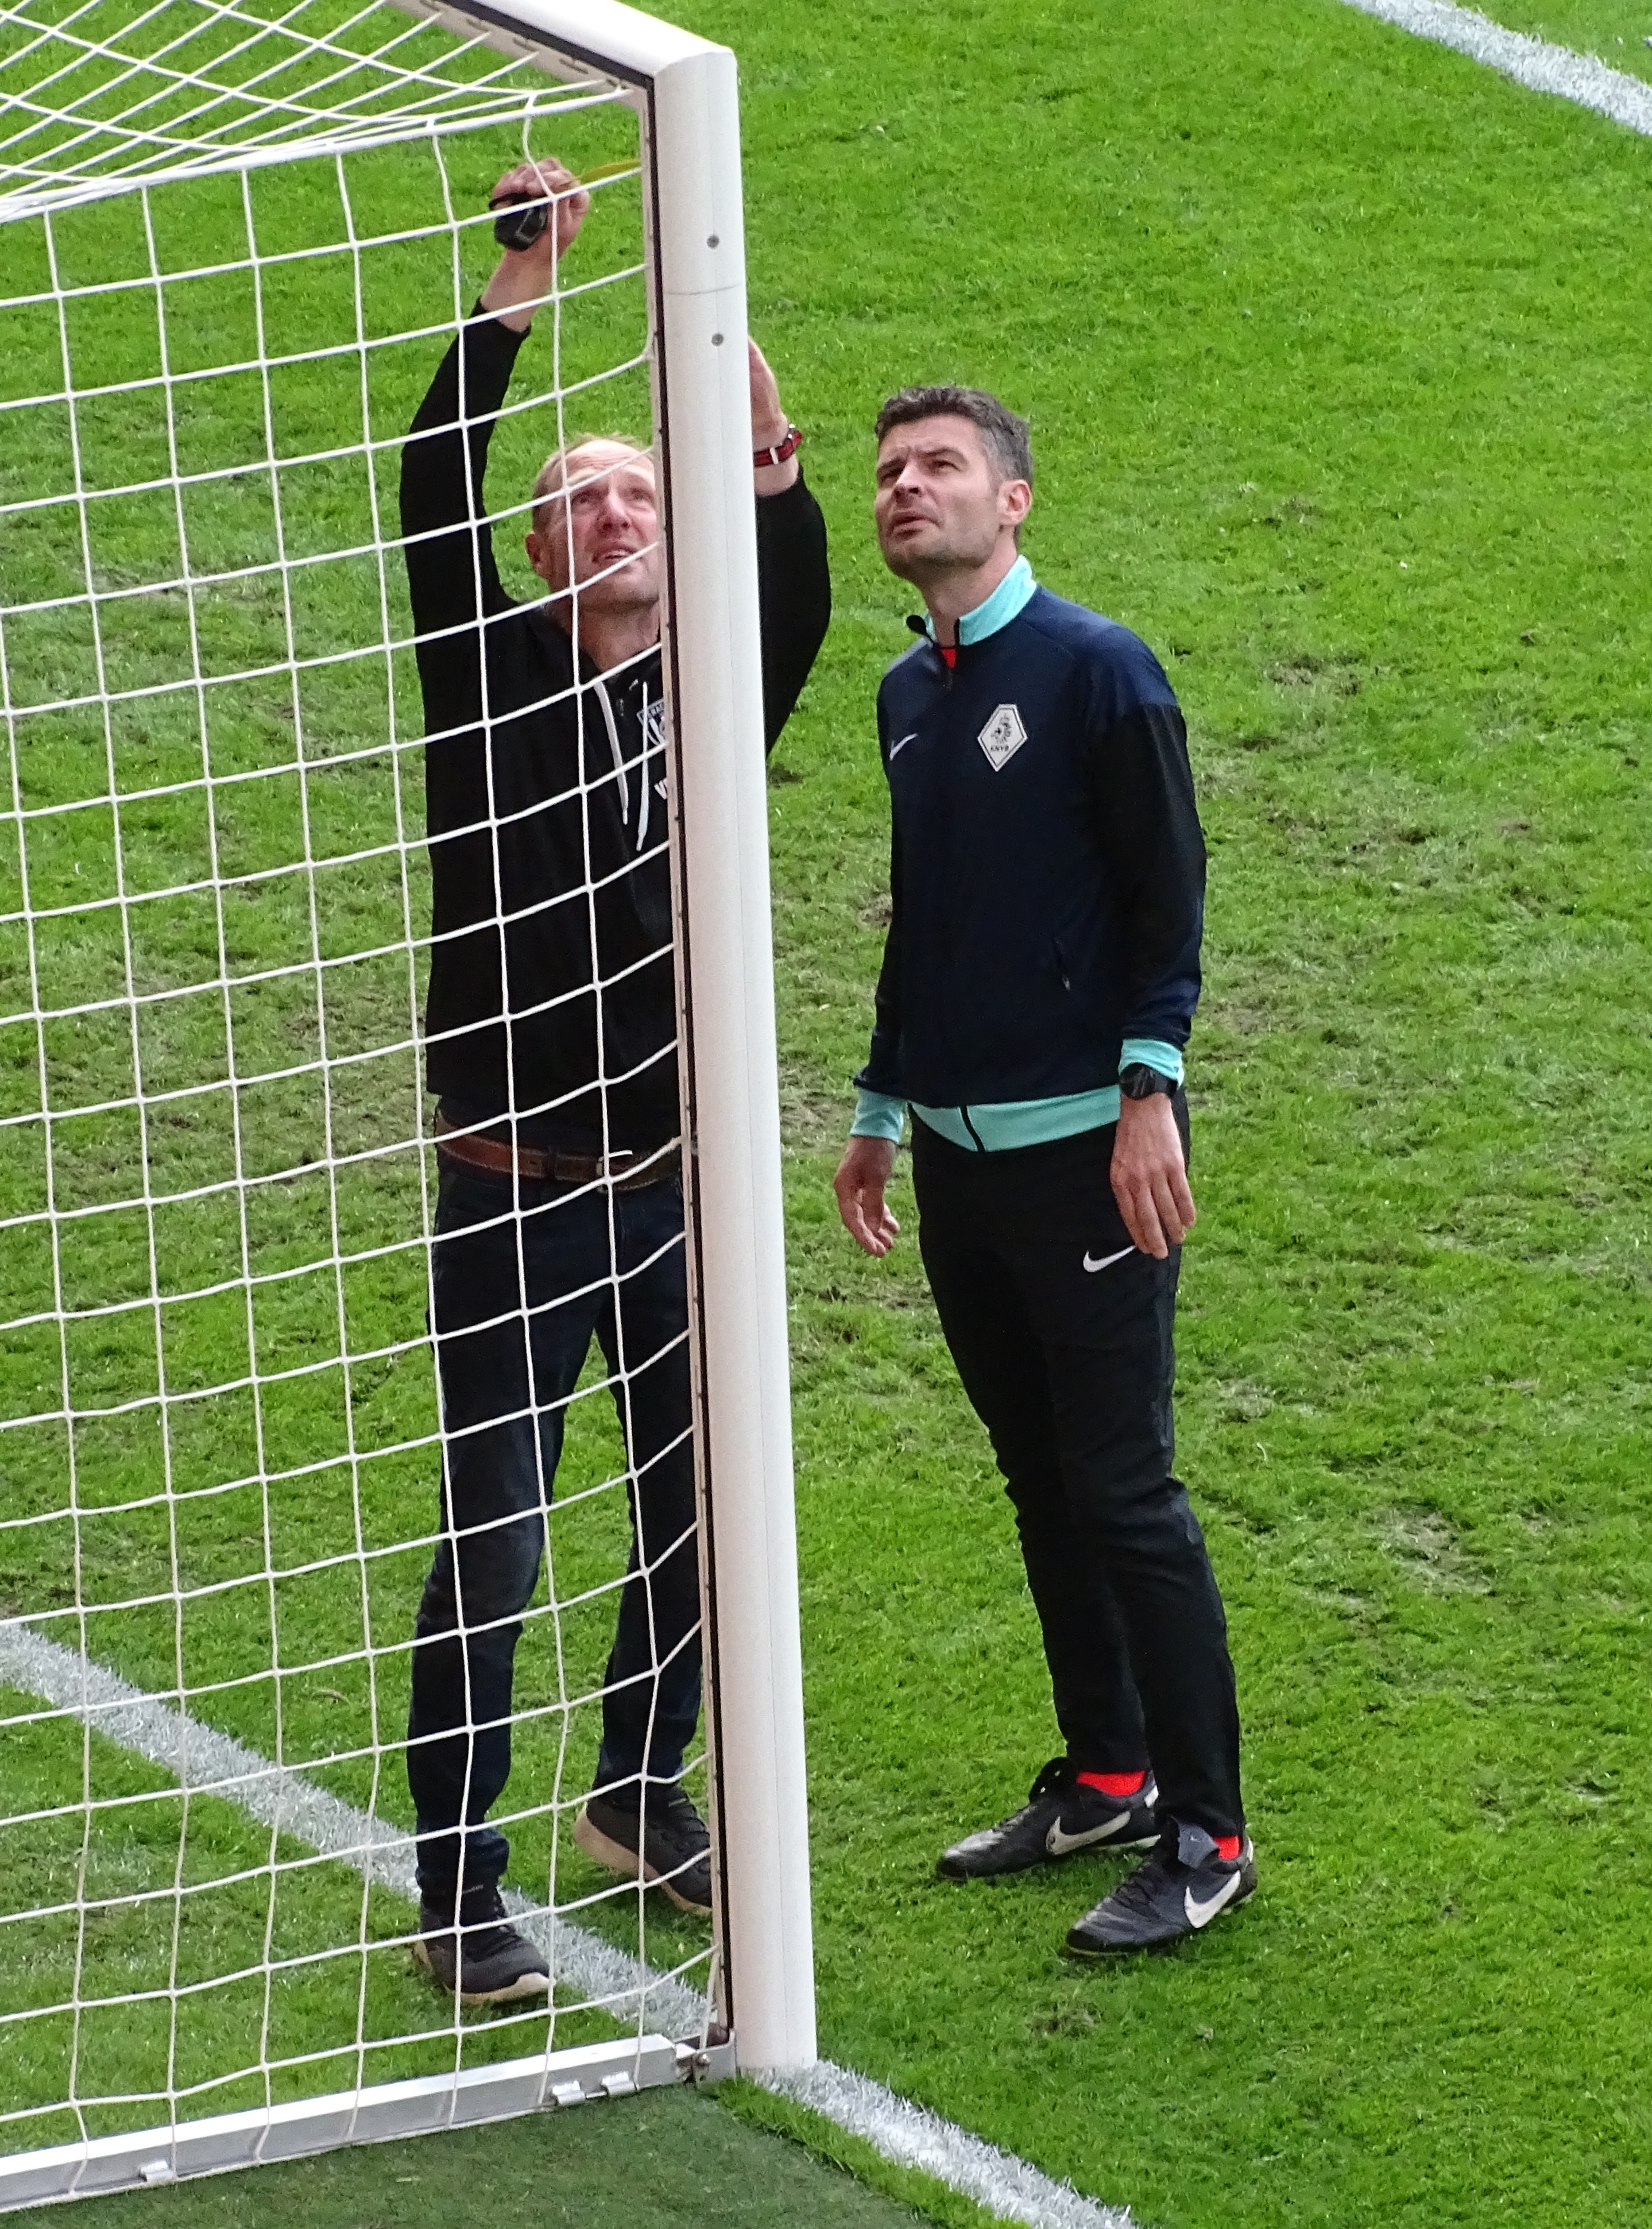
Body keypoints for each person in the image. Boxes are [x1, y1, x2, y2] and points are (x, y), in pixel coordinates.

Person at [397, 159, 830, 2002]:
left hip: (679, 1178)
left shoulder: (720, 684)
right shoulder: (485, 671)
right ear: (543, 549)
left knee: (697, 1512)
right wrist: (525, 282)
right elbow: (429, 498)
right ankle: (457, 1889)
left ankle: (636, 1794)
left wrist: (712, 325)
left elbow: (793, 556)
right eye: (573, 498)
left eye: (634, 486)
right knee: (498, 1534)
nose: (602, 511)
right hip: (509, 1185)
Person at [831, 385, 1251, 1954]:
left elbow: (1171, 904)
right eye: (888, 471)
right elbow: (926, 920)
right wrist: (882, 1104)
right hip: (956, 1159)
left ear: (1015, 501)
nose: (903, 488)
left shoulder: (1099, 672)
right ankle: (1109, 1771)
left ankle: (1209, 1836)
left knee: (1126, 1489)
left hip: (1094, 1156)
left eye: (938, 466)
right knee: (1039, 1480)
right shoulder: (905, 694)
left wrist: (1151, 1087)